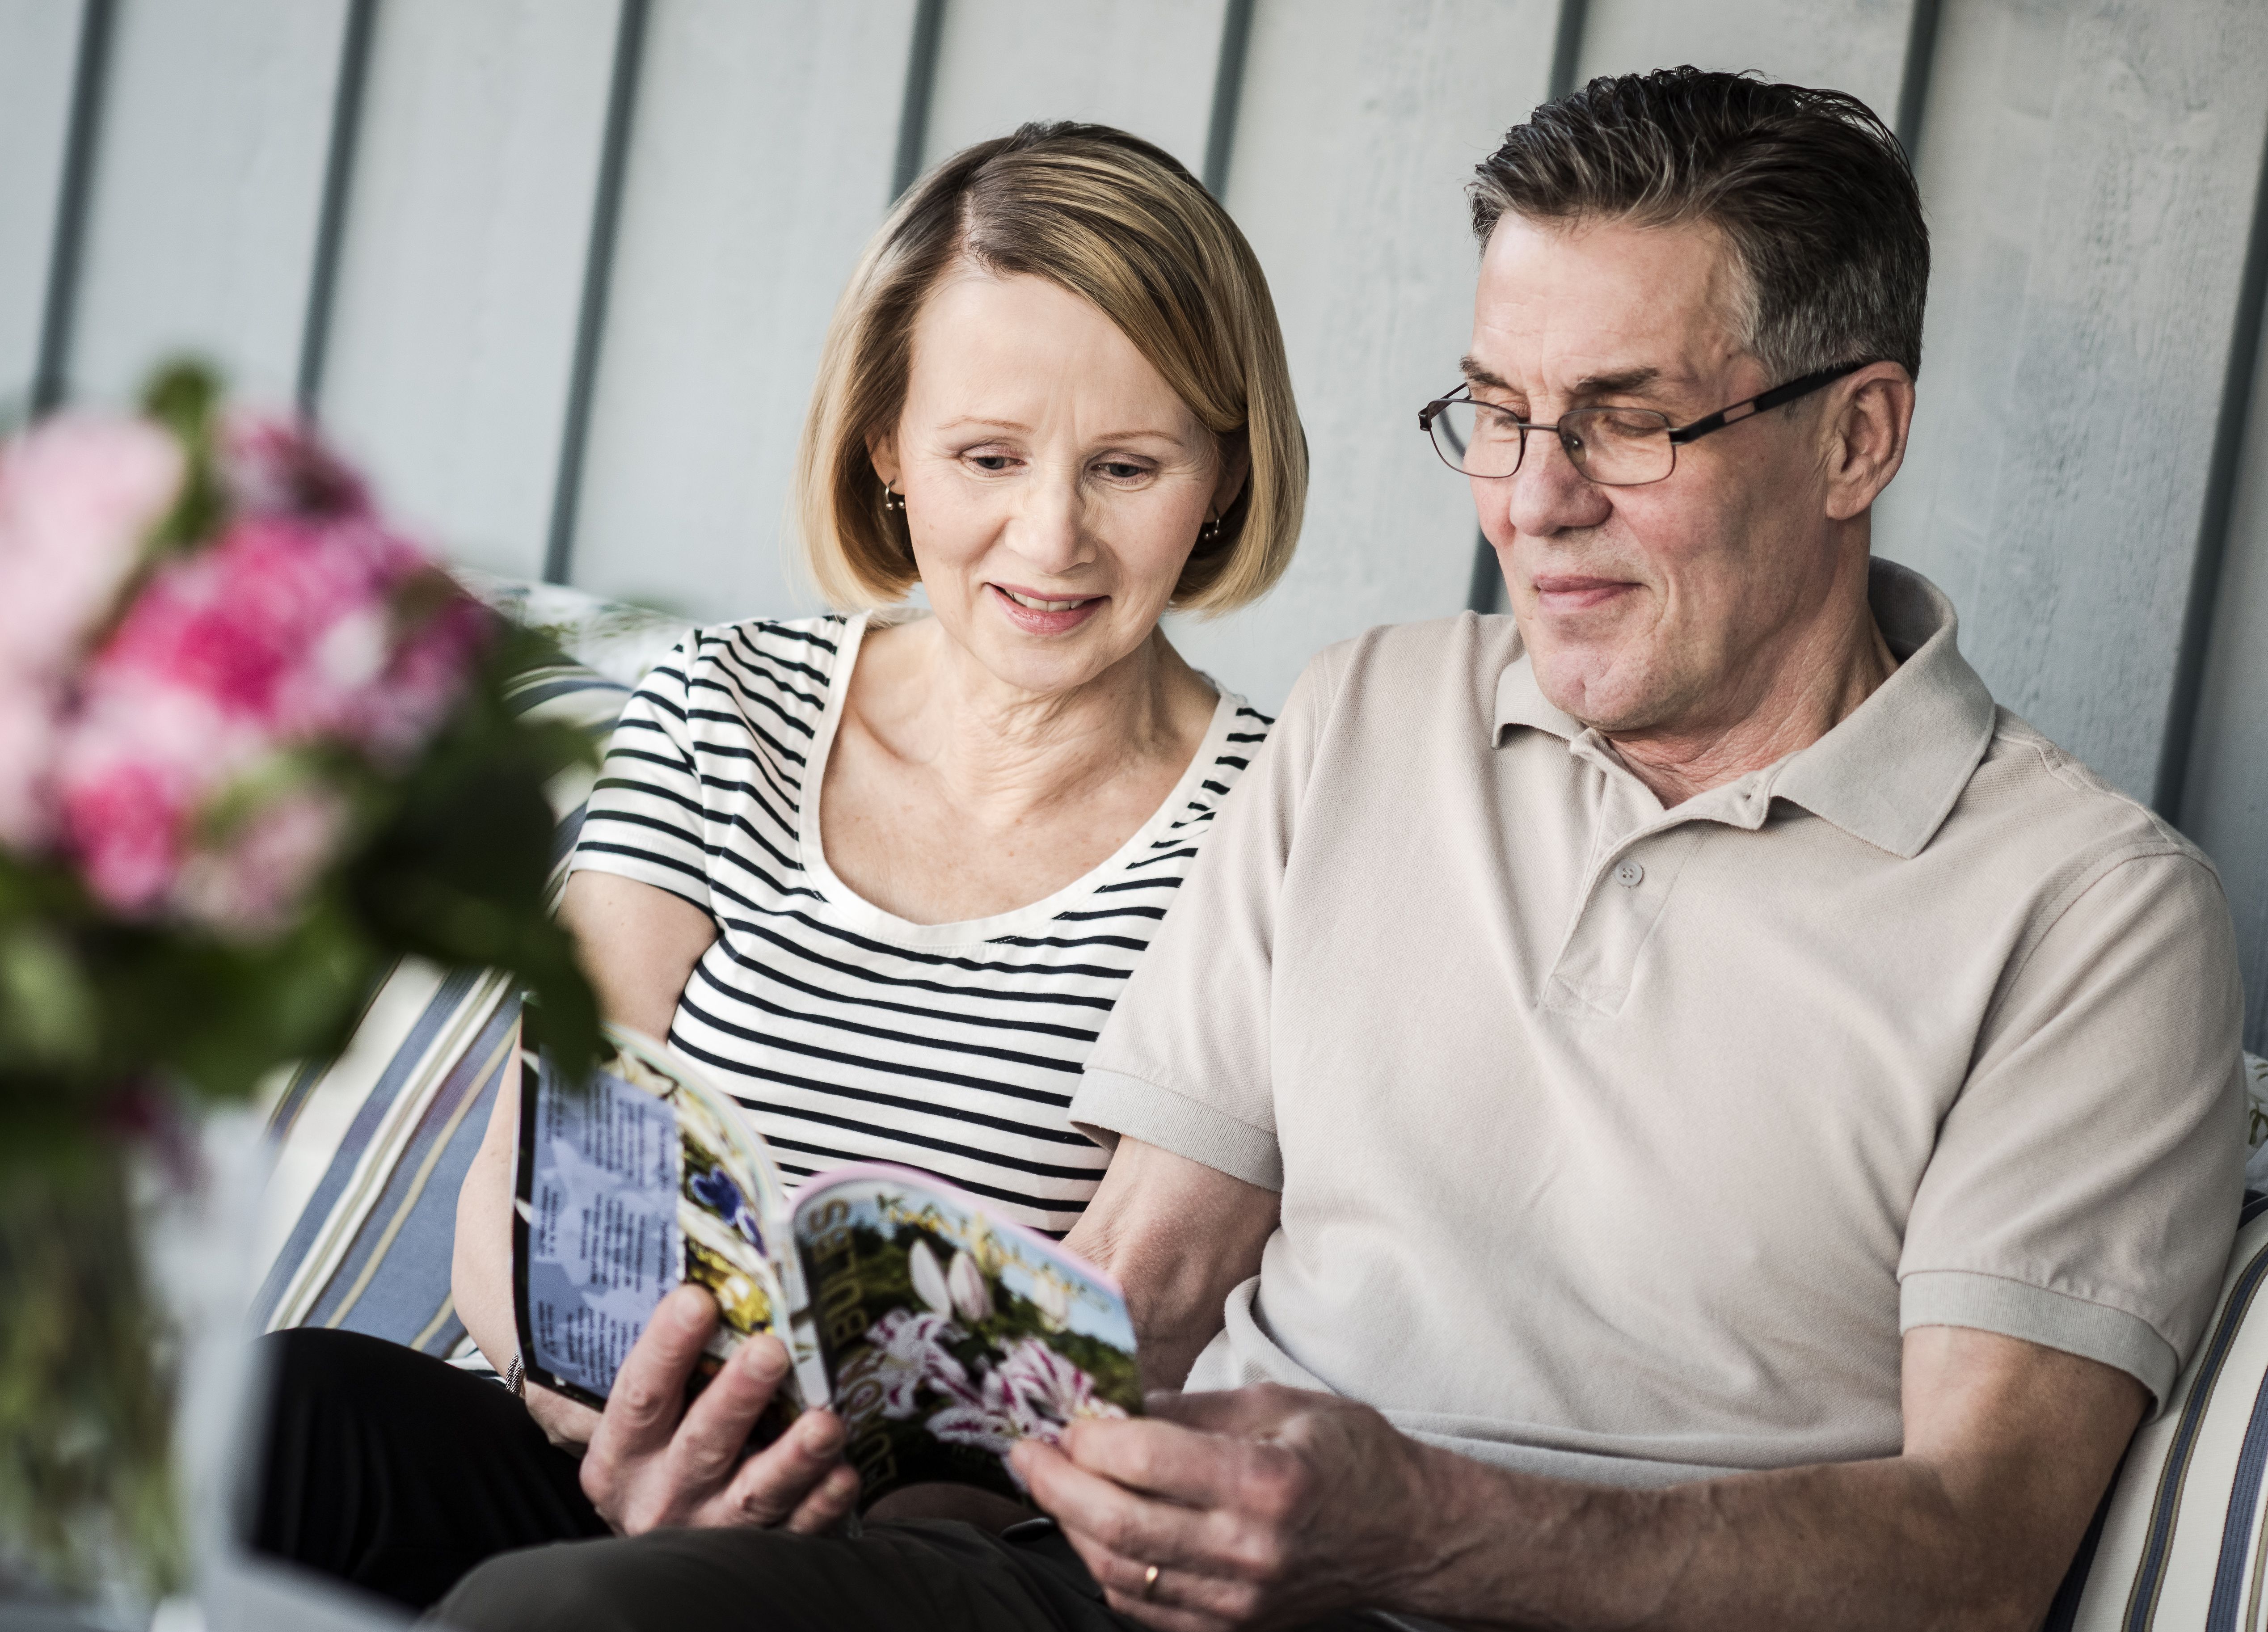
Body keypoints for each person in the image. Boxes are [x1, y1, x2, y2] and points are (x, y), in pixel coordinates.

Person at [432, 70, 2246, 1632]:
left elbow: (1979, 1551)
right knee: (555, 1594)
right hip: (1147, 1598)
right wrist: (773, 1466)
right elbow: (1143, 1285)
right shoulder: (1375, 713)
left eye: (1626, 422)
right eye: (1499, 414)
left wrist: (1430, 1523)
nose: (1534, 501)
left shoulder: (2089, 917)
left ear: (1856, 436)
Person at [247, 120, 1306, 1610]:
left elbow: (1145, 1318)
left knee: (583, 1609)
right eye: (987, 457)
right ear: (887, 448)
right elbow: (534, 1164)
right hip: (608, 1442)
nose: (1051, 534)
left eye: (1127, 465)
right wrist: (612, 1434)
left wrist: (770, 1499)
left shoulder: (1274, 818)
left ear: (1223, 474)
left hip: (925, 1552)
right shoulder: (724, 703)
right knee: (275, 1417)